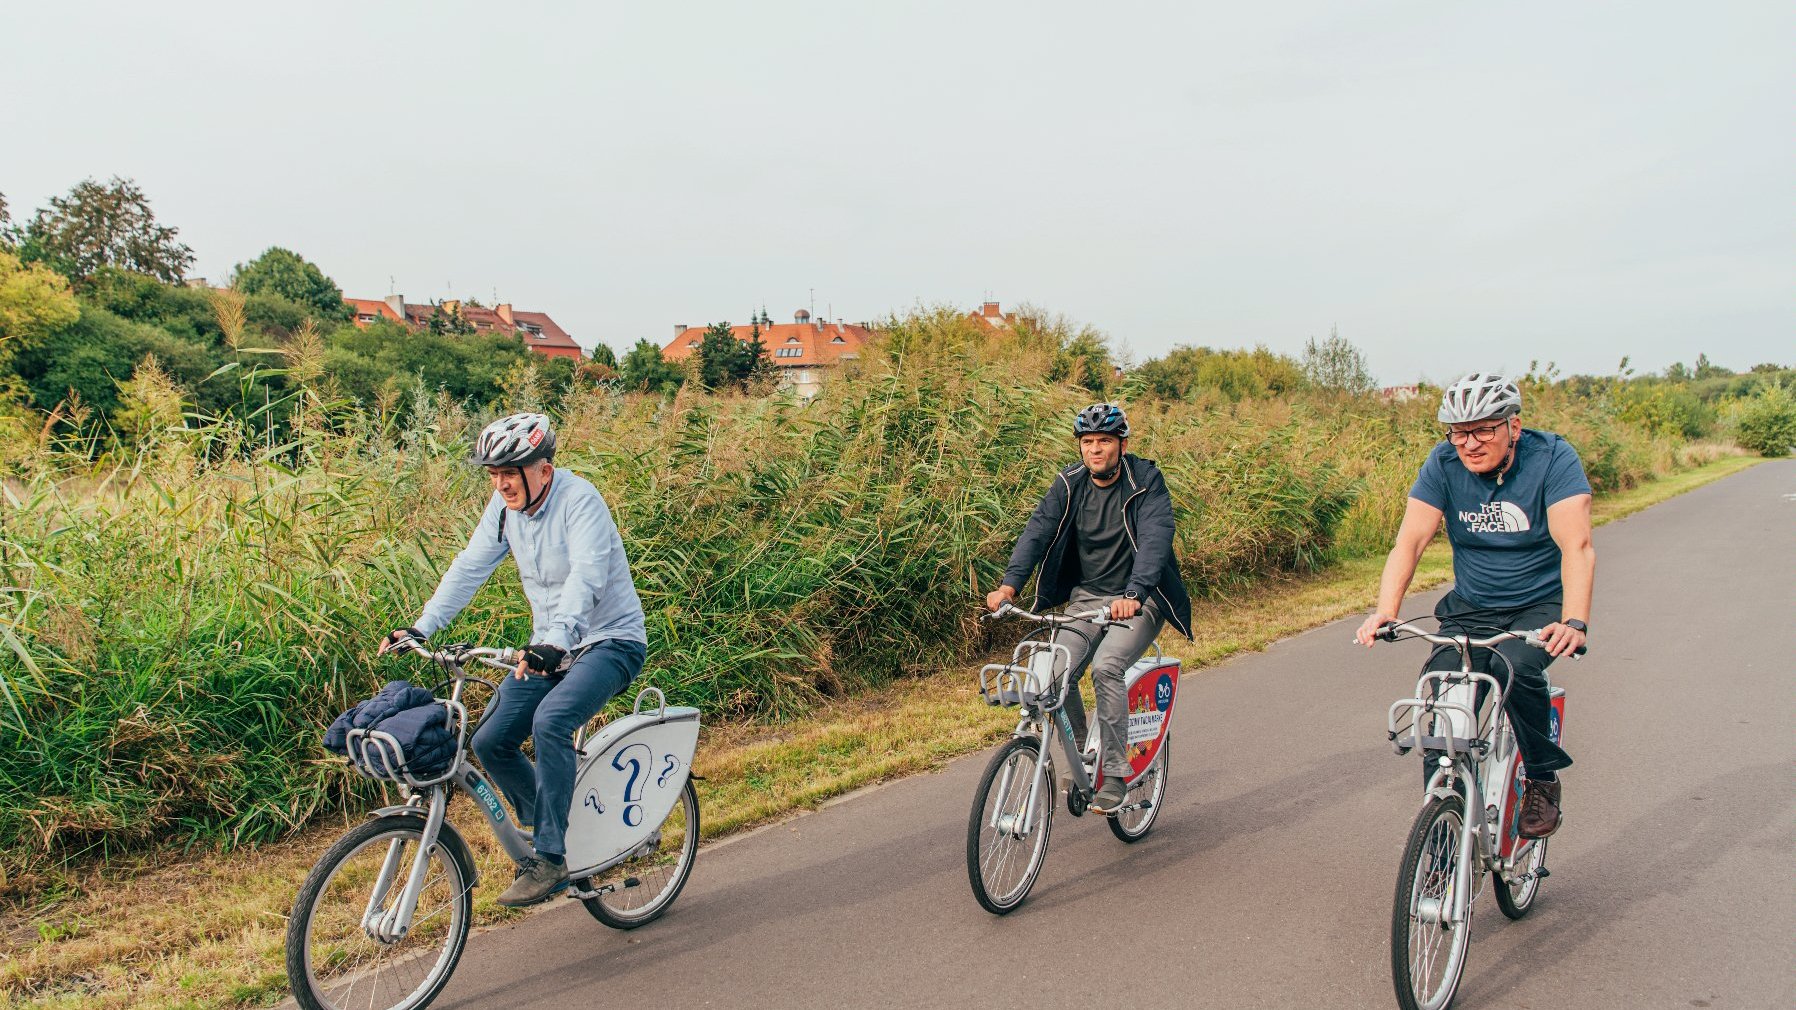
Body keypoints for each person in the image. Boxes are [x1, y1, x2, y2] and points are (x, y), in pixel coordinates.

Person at [380, 412, 648, 906]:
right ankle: (556, 823)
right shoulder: (505, 511)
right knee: (490, 739)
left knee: (549, 721)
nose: (502, 484)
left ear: (543, 469)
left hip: (609, 641)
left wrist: (556, 641)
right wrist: (423, 625)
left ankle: (550, 857)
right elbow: (469, 566)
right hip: (550, 645)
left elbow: (586, 579)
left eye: (511, 472)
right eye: (494, 475)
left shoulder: (580, 503)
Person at [1355, 373, 1594, 838]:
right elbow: (1410, 541)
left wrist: (1575, 621)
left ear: (1514, 427)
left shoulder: (1553, 459)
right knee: (1440, 690)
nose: (1470, 443)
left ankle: (1542, 779)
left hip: (1539, 603)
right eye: (1460, 432)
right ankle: (1442, 823)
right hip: (1471, 604)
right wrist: (1386, 609)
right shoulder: (1443, 463)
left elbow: (1578, 546)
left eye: (1484, 429)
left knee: (1518, 667)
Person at [986, 402, 1193, 814]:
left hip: (1140, 599)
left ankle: (1114, 773)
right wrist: (1009, 585)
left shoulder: (1146, 480)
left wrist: (1134, 594)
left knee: (1107, 666)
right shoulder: (1070, 483)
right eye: (1087, 442)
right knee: (1055, 674)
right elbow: (1037, 531)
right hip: (1088, 598)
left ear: (1122, 444)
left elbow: (1155, 540)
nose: (1095, 450)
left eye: (1104, 441)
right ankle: (1083, 750)